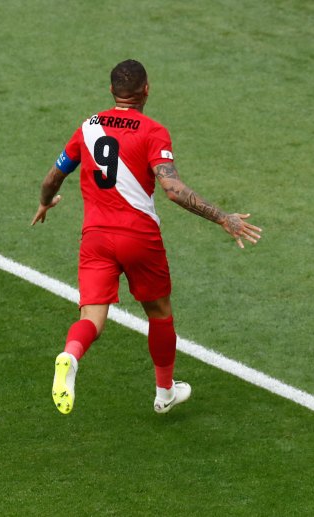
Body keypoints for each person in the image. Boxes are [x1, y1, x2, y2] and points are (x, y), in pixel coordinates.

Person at [31, 59, 262, 415]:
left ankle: (70, 357)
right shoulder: (153, 131)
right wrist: (222, 217)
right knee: (159, 313)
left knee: (92, 318)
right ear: (146, 90)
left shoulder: (88, 127)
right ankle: (164, 390)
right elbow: (172, 188)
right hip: (138, 237)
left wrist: (46, 202)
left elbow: (52, 178)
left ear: (112, 92)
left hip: (95, 238)